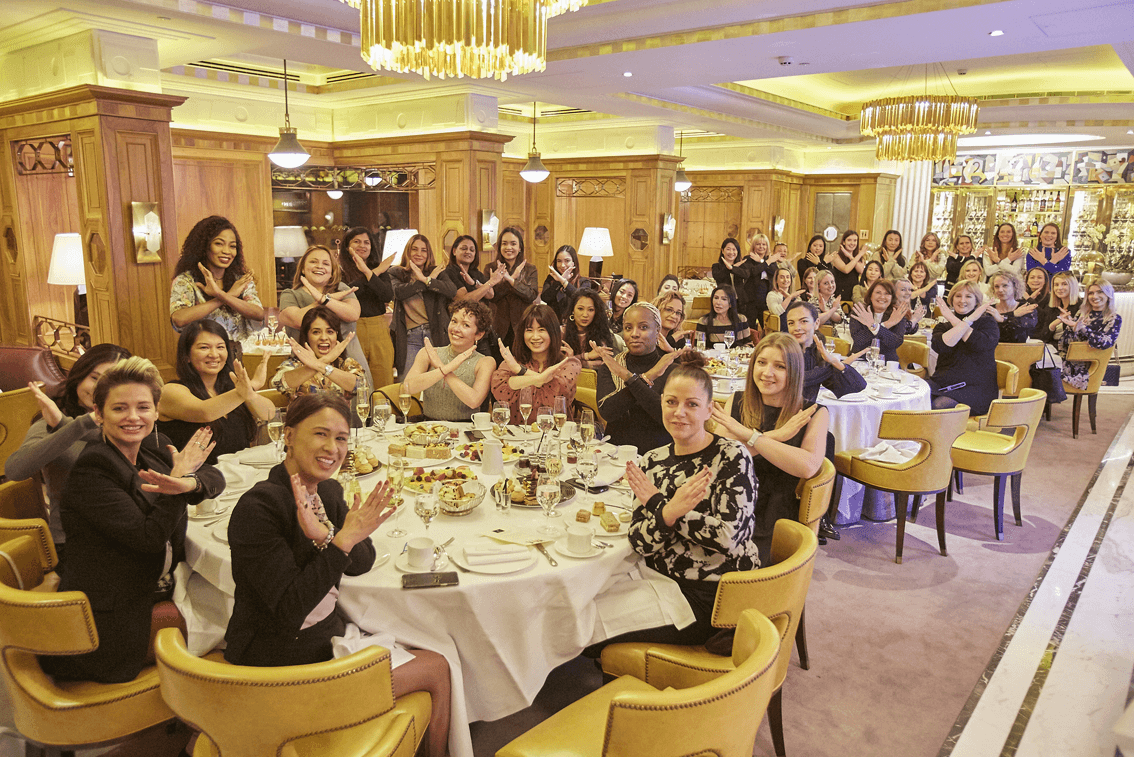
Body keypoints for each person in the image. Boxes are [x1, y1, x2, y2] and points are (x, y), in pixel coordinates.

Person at [223, 392, 451, 757]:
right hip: (281, 663)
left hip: (322, 638)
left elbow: (362, 559)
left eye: (341, 438)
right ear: (289, 435)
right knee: (437, 668)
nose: (333, 447)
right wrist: (339, 542)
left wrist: (329, 535)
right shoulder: (259, 508)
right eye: (320, 434)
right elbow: (289, 609)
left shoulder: (325, 490)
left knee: (433, 652)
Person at [42, 357, 224, 683]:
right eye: (119, 408)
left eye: (143, 407)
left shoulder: (151, 450)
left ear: (156, 412)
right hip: (113, 617)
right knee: (239, 616)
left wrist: (189, 482)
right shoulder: (93, 469)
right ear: (98, 414)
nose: (133, 417)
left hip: (154, 582)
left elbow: (212, 477)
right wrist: (179, 481)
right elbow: (148, 537)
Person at [592, 352, 760, 650]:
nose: (679, 412)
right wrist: (668, 511)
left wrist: (661, 507)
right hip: (656, 577)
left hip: (713, 596)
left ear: (710, 410)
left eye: (691, 404)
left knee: (591, 634)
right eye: (671, 402)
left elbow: (728, 538)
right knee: (579, 609)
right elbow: (640, 541)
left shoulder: (731, 456)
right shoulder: (653, 461)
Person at [5, 343, 131, 558]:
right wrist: (71, 426)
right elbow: (15, 470)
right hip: (73, 541)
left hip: (128, 530)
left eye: (113, 381)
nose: (101, 388)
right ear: (79, 377)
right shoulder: (49, 420)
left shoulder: (131, 420)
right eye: (94, 378)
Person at [711, 333, 830, 560]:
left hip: (775, 512)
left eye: (780, 366)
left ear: (794, 372)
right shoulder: (736, 402)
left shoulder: (812, 413)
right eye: (762, 362)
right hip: (727, 502)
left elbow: (807, 467)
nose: (767, 373)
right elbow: (718, 463)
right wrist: (777, 436)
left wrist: (749, 436)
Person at [158, 321, 274, 465]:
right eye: (204, 347)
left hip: (240, 476)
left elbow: (268, 413)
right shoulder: (171, 391)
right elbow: (204, 411)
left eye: (220, 347)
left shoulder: (231, 389)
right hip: (196, 480)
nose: (214, 354)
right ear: (186, 355)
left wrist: (250, 392)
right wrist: (253, 384)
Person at [596, 302, 686, 453]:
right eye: (628, 328)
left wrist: (629, 379)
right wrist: (648, 377)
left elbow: (665, 416)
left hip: (659, 455)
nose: (634, 334)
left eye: (643, 327)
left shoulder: (672, 370)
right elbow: (608, 412)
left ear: (658, 332)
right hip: (615, 454)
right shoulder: (612, 366)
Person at [279, 245, 371, 385]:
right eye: (313, 262)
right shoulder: (290, 294)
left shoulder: (342, 288)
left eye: (326, 263)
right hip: (306, 368)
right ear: (303, 268)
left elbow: (353, 314)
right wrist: (323, 300)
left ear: (332, 271)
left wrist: (324, 299)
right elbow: (298, 320)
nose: (319, 266)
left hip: (348, 364)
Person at [169, 216, 265, 341]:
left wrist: (220, 294)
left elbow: (258, 314)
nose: (226, 251)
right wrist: (225, 296)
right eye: (219, 244)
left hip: (240, 355)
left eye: (232, 246)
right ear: (204, 246)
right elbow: (179, 319)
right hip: (204, 354)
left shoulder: (240, 281)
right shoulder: (186, 280)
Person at [402, 300, 496, 422]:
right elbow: (408, 387)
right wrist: (444, 369)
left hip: (466, 430)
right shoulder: (428, 353)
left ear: (479, 335)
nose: (456, 329)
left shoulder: (485, 362)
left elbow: (474, 401)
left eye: (466, 325)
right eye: (454, 321)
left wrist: (442, 367)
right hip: (430, 428)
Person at [492, 304, 581, 420]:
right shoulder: (511, 362)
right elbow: (501, 391)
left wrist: (519, 371)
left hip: (555, 434)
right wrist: (540, 379)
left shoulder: (568, 364)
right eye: (529, 330)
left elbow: (555, 397)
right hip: (518, 435)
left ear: (553, 332)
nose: (535, 336)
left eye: (541, 330)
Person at [389, 234, 460, 378]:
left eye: (423, 250)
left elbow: (452, 290)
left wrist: (428, 280)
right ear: (408, 251)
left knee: (438, 382)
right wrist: (425, 281)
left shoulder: (438, 272)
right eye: (415, 249)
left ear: (428, 254)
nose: (419, 254)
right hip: (410, 336)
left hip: (436, 333)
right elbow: (399, 292)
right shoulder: (396, 272)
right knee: (408, 384)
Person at [928, 282, 1000, 415]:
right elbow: (943, 346)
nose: (962, 300)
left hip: (976, 388)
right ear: (951, 299)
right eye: (958, 296)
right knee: (914, 395)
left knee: (939, 405)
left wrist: (955, 318)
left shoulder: (988, 323)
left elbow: (980, 344)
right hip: (942, 384)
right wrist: (967, 320)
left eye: (968, 296)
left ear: (976, 300)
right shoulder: (942, 327)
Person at [339, 227, 395, 387]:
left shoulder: (380, 268)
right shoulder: (340, 270)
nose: (362, 246)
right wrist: (373, 273)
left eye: (366, 242)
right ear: (347, 246)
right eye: (356, 241)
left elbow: (387, 295)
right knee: (358, 383)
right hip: (352, 329)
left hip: (379, 329)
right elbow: (349, 291)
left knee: (383, 381)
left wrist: (371, 272)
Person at [272, 307, 366, 400]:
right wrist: (325, 360)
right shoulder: (294, 365)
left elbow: (360, 386)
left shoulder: (346, 364)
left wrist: (320, 365)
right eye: (316, 332)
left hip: (338, 415)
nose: (324, 337)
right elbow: (279, 384)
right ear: (307, 336)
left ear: (336, 335)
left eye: (330, 332)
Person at [784, 301, 867, 402]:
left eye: (804, 321)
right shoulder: (782, 351)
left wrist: (836, 363)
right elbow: (794, 380)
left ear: (817, 323)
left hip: (805, 412)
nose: (796, 328)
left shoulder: (816, 353)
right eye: (791, 323)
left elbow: (858, 386)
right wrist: (832, 368)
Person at [1059, 281, 1122, 390]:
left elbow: (1104, 343)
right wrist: (1070, 328)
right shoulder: (1082, 314)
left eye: (1100, 292)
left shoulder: (1114, 318)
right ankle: (1040, 404)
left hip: (1088, 366)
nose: (1095, 296)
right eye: (1091, 293)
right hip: (1069, 358)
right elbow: (1064, 343)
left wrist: (1083, 329)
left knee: (1047, 372)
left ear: (1108, 295)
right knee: (1038, 366)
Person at [485, 227, 538, 347]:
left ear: (520, 248)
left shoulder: (530, 269)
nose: (508, 247)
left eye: (513, 244)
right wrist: (512, 279)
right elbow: (492, 297)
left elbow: (531, 295)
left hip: (523, 325)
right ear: (499, 247)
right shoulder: (491, 268)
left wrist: (510, 279)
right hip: (497, 326)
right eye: (504, 243)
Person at [849, 279, 912, 364]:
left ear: (892, 297)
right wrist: (886, 325)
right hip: (860, 360)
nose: (882, 297)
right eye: (878, 293)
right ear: (871, 295)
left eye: (887, 294)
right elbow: (859, 341)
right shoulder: (860, 312)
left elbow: (895, 342)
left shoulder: (897, 314)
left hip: (887, 362)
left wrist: (874, 327)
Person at [563, 289, 624, 369]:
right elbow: (559, 363)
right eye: (580, 309)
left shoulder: (601, 332)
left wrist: (574, 359)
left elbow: (604, 365)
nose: (585, 315)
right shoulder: (561, 332)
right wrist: (587, 356)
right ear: (572, 310)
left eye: (591, 310)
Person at [541, 244, 590, 323]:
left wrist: (563, 281)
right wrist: (558, 282)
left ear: (574, 262)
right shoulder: (551, 278)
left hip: (574, 324)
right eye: (559, 261)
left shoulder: (584, 281)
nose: (562, 265)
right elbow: (545, 297)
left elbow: (580, 299)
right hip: (553, 324)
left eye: (567, 261)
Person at [745, 234, 783, 327]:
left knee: (767, 327)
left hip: (766, 299)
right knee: (750, 328)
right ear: (753, 245)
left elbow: (775, 272)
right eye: (758, 244)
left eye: (764, 244)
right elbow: (753, 272)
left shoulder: (771, 260)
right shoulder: (748, 259)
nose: (761, 246)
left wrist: (762, 262)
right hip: (751, 299)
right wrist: (766, 263)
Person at [989, 271, 1038, 343]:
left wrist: (1004, 318)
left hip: (1020, 351)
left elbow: (1017, 332)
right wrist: (1014, 314)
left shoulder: (1026, 308)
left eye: (1005, 285)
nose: (1000, 290)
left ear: (1015, 287)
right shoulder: (990, 310)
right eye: (996, 286)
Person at [711, 238, 751, 318]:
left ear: (737, 252)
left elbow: (746, 274)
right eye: (728, 249)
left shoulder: (742, 265)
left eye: (734, 249)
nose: (731, 252)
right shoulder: (716, 266)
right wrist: (728, 268)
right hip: (723, 302)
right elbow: (718, 276)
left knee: (740, 326)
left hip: (740, 302)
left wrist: (732, 268)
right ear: (722, 251)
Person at [1040, 271, 1080, 346]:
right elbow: (1043, 337)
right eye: (1056, 285)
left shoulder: (1081, 307)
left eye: (1064, 284)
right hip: (1052, 348)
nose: (1059, 288)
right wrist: (1053, 325)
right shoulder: (1052, 307)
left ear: (1072, 286)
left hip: (1071, 352)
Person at [827, 230, 867, 301]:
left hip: (855, 292)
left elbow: (861, 271)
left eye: (855, 240)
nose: (852, 243)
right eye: (849, 240)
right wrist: (860, 254)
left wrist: (850, 256)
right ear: (843, 242)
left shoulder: (858, 257)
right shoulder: (836, 256)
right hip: (840, 291)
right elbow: (846, 270)